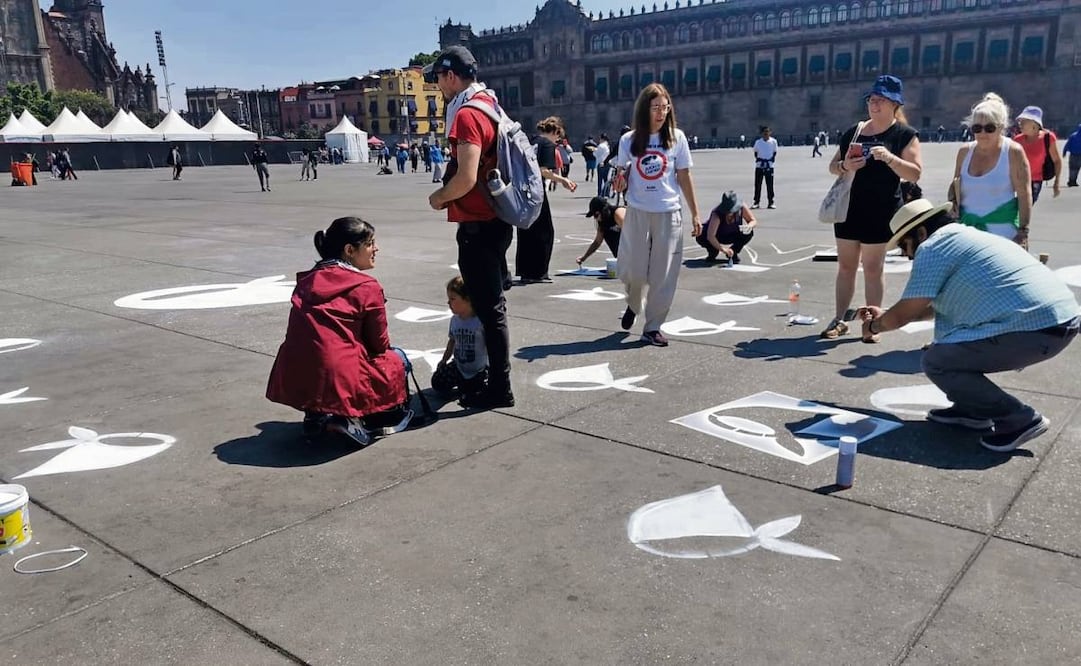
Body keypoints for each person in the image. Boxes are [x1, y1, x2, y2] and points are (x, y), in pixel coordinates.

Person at [856, 199, 1079, 452]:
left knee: (938, 361)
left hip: (1038, 329)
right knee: (949, 351)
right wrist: (886, 314)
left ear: (921, 233)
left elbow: (901, 317)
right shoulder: (965, 237)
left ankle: (1019, 419)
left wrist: (874, 327)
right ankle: (973, 410)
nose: (907, 254)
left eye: (905, 245)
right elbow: (929, 308)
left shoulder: (933, 247)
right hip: (1058, 321)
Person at [266, 217, 411, 446]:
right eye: (370, 243)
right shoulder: (366, 286)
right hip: (338, 372)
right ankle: (353, 417)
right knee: (397, 358)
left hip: (294, 369)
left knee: (323, 353)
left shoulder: (307, 280)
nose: (376, 248)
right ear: (350, 250)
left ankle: (315, 414)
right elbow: (379, 343)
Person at [425, 44, 515, 409]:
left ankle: (499, 388)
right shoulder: (490, 104)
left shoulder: (467, 114)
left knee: (490, 310)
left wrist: (439, 197)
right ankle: (491, 378)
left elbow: (466, 177)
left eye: (438, 78)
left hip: (478, 224)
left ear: (450, 76)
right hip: (498, 219)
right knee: (493, 307)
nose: (437, 86)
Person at [822, 74, 922, 342]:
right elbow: (833, 166)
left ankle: (872, 323)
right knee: (845, 267)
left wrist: (890, 159)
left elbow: (914, 173)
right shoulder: (854, 132)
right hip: (849, 209)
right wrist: (845, 166)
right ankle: (840, 319)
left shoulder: (904, 135)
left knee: (873, 269)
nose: (874, 104)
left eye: (881, 100)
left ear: (894, 104)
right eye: (871, 99)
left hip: (881, 211)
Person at [611, 82, 702, 347]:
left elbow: (684, 176)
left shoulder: (677, 138)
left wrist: (695, 213)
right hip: (638, 211)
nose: (661, 113)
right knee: (633, 270)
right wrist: (619, 182)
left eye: (665, 107)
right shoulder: (629, 140)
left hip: (668, 212)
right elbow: (621, 175)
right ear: (644, 109)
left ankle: (652, 327)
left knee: (663, 275)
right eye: (655, 108)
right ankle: (633, 302)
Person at [951, 93, 1032, 246]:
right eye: (977, 128)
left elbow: (1024, 194)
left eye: (989, 128)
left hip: (1003, 236)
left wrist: (1023, 232)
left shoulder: (1013, 152)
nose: (982, 134)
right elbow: (954, 192)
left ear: (1001, 127)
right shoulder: (964, 152)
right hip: (966, 235)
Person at [518, 116, 577, 284]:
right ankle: (539, 272)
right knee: (545, 232)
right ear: (556, 132)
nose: (558, 140)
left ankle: (525, 271)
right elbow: (543, 170)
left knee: (526, 232)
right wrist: (563, 180)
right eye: (559, 137)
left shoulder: (529, 140)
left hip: (522, 191)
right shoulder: (547, 145)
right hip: (536, 191)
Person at [432, 276, 489, 400]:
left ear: (468, 299)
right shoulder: (455, 320)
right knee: (437, 382)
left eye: (452, 299)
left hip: (478, 369)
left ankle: (472, 385)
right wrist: (444, 360)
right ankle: (463, 383)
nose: (448, 303)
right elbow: (452, 341)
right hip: (459, 366)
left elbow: (491, 345)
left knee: (474, 391)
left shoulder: (479, 321)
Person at [1013, 105, 1062, 203]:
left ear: (1034, 124)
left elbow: (1057, 161)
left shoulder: (1048, 138)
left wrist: (1056, 183)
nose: (1020, 124)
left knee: (1025, 206)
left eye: (1023, 121)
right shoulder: (1017, 140)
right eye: (1019, 121)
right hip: (1017, 181)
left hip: (1035, 181)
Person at [696, 190, 757, 264]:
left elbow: (753, 220)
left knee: (748, 232)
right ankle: (713, 251)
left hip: (733, 234)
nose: (729, 213)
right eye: (727, 211)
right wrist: (724, 250)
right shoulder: (717, 214)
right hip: (718, 235)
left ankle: (733, 251)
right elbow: (710, 236)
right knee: (700, 235)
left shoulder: (742, 207)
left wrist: (749, 226)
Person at [576, 196, 624, 265]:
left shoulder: (618, 213)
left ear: (604, 210)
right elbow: (597, 242)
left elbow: (633, 233)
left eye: (596, 215)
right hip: (623, 258)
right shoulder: (602, 222)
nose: (595, 218)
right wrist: (584, 257)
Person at [752, 126, 779, 209]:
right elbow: (755, 152)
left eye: (767, 131)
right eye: (764, 132)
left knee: (770, 185)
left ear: (770, 132)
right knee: (758, 184)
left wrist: (770, 161)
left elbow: (774, 152)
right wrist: (760, 160)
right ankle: (756, 202)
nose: (766, 133)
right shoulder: (758, 142)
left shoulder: (773, 141)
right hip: (759, 166)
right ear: (762, 133)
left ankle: (771, 202)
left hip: (769, 166)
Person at [1061, 122, 1081, 187]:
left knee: (1072, 168)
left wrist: (1064, 152)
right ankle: (1073, 181)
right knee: (1077, 168)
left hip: (1073, 155)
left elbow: (1067, 144)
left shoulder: (1073, 135)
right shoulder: (1073, 135)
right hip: (1079, 155)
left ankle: (1071, 181)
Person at [594, 133, 612, 198]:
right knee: (606, 179)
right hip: (607, 163)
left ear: (601, 139)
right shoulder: (608, 146)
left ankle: (600, 193)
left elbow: (596, 154)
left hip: (601, 163)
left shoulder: (600, 146)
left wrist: (594, 150)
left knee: (600, 180)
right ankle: (607, 193)